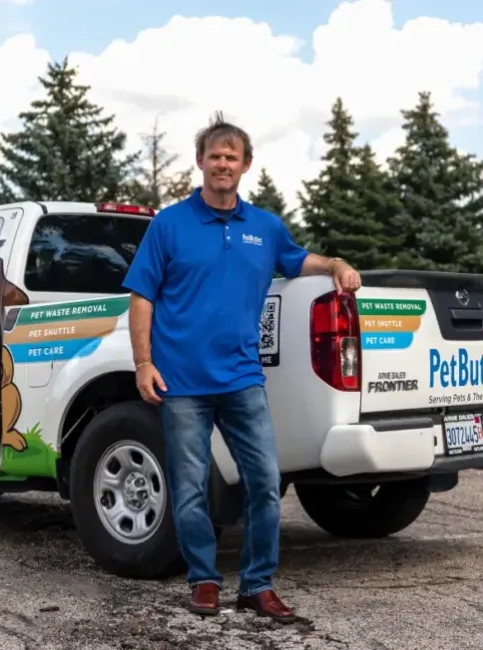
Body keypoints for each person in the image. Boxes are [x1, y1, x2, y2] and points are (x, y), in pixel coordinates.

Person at [121, 113, 362, 624]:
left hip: (242, 379)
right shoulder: (170, 223)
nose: (223, 164)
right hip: (181, 382)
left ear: (245, 164)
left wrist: (337, 265)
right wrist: (143, 363)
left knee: (264, 483)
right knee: (189, 491)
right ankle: (204, 580)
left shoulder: (265, 227)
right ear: (201, 162)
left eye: (232, 156)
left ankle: (256, 585)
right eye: (215, 155)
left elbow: (299, 261)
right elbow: (141, 296)